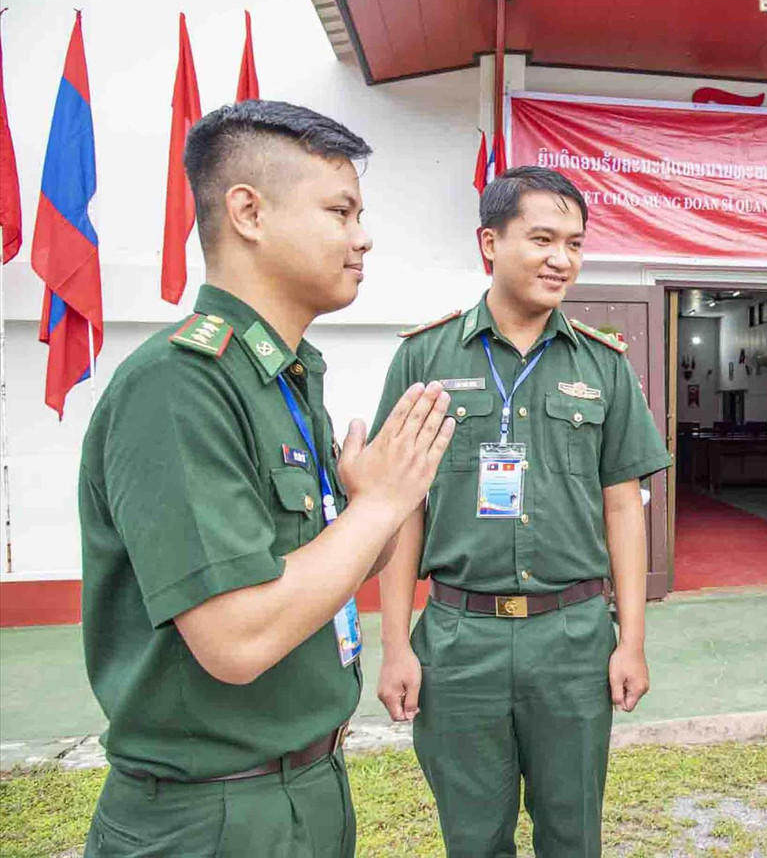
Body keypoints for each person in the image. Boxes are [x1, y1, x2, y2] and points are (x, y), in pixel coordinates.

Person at [78, 100, 456, 857]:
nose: (363, 236)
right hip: (210, 815)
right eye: (340, 210)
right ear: (248, 212)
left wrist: (373, 512)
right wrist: (377, 506)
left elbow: (317, 571)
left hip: (307, 787)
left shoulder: (284, 379)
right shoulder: (179, 387)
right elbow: (237, 638)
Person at [372, 166, 671, 857]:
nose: (561, 258)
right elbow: (399, 510)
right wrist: (395, 646)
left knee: (573, 835)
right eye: (541, 238)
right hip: (457, 639)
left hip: (572, 639)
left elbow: (625, 507)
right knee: (473, 838)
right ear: (489, 242)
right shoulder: (425, 356)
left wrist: (631, 639)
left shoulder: (605, 366)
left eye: (574, 242)